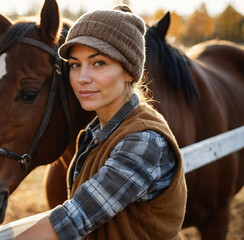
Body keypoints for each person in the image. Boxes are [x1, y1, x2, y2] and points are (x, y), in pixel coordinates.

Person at [17, 5, 187, 240]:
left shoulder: (144, 139)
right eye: (75, 64)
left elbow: (73, 220)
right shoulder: (96, 131)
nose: (82, 78)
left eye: (98, 63)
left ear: (128, 71)